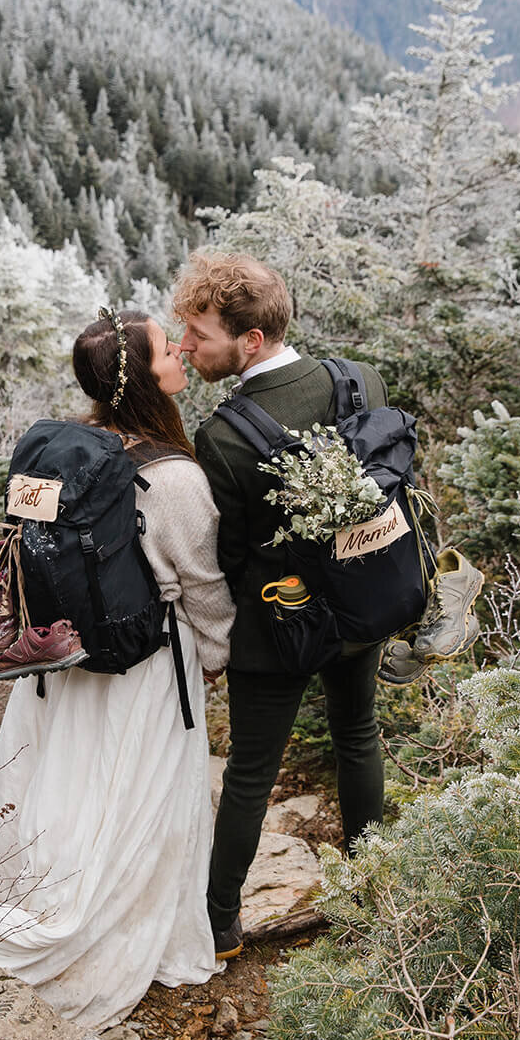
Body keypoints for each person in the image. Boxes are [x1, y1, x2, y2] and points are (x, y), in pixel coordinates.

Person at [0, 310, 236, 1029]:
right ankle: (109, 928)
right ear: (146, 375)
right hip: (143, 668)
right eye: (165, 348)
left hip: (62, 656)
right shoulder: (174, 476)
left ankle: (25, 895)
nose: (180, 351)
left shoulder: (61, 455)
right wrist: (216, 657)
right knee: (133, 802)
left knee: (63, 787)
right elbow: (202, 585)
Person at [173, 251, 389, 961]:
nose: (188, 346)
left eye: (199, 333)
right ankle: (370, 888)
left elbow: (227, 555)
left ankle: (220, 924)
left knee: (250, 773)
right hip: (360, 599)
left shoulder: (224, 437)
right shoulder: (358, 380)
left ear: (251, 341)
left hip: (274, 626)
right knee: (358, 733)